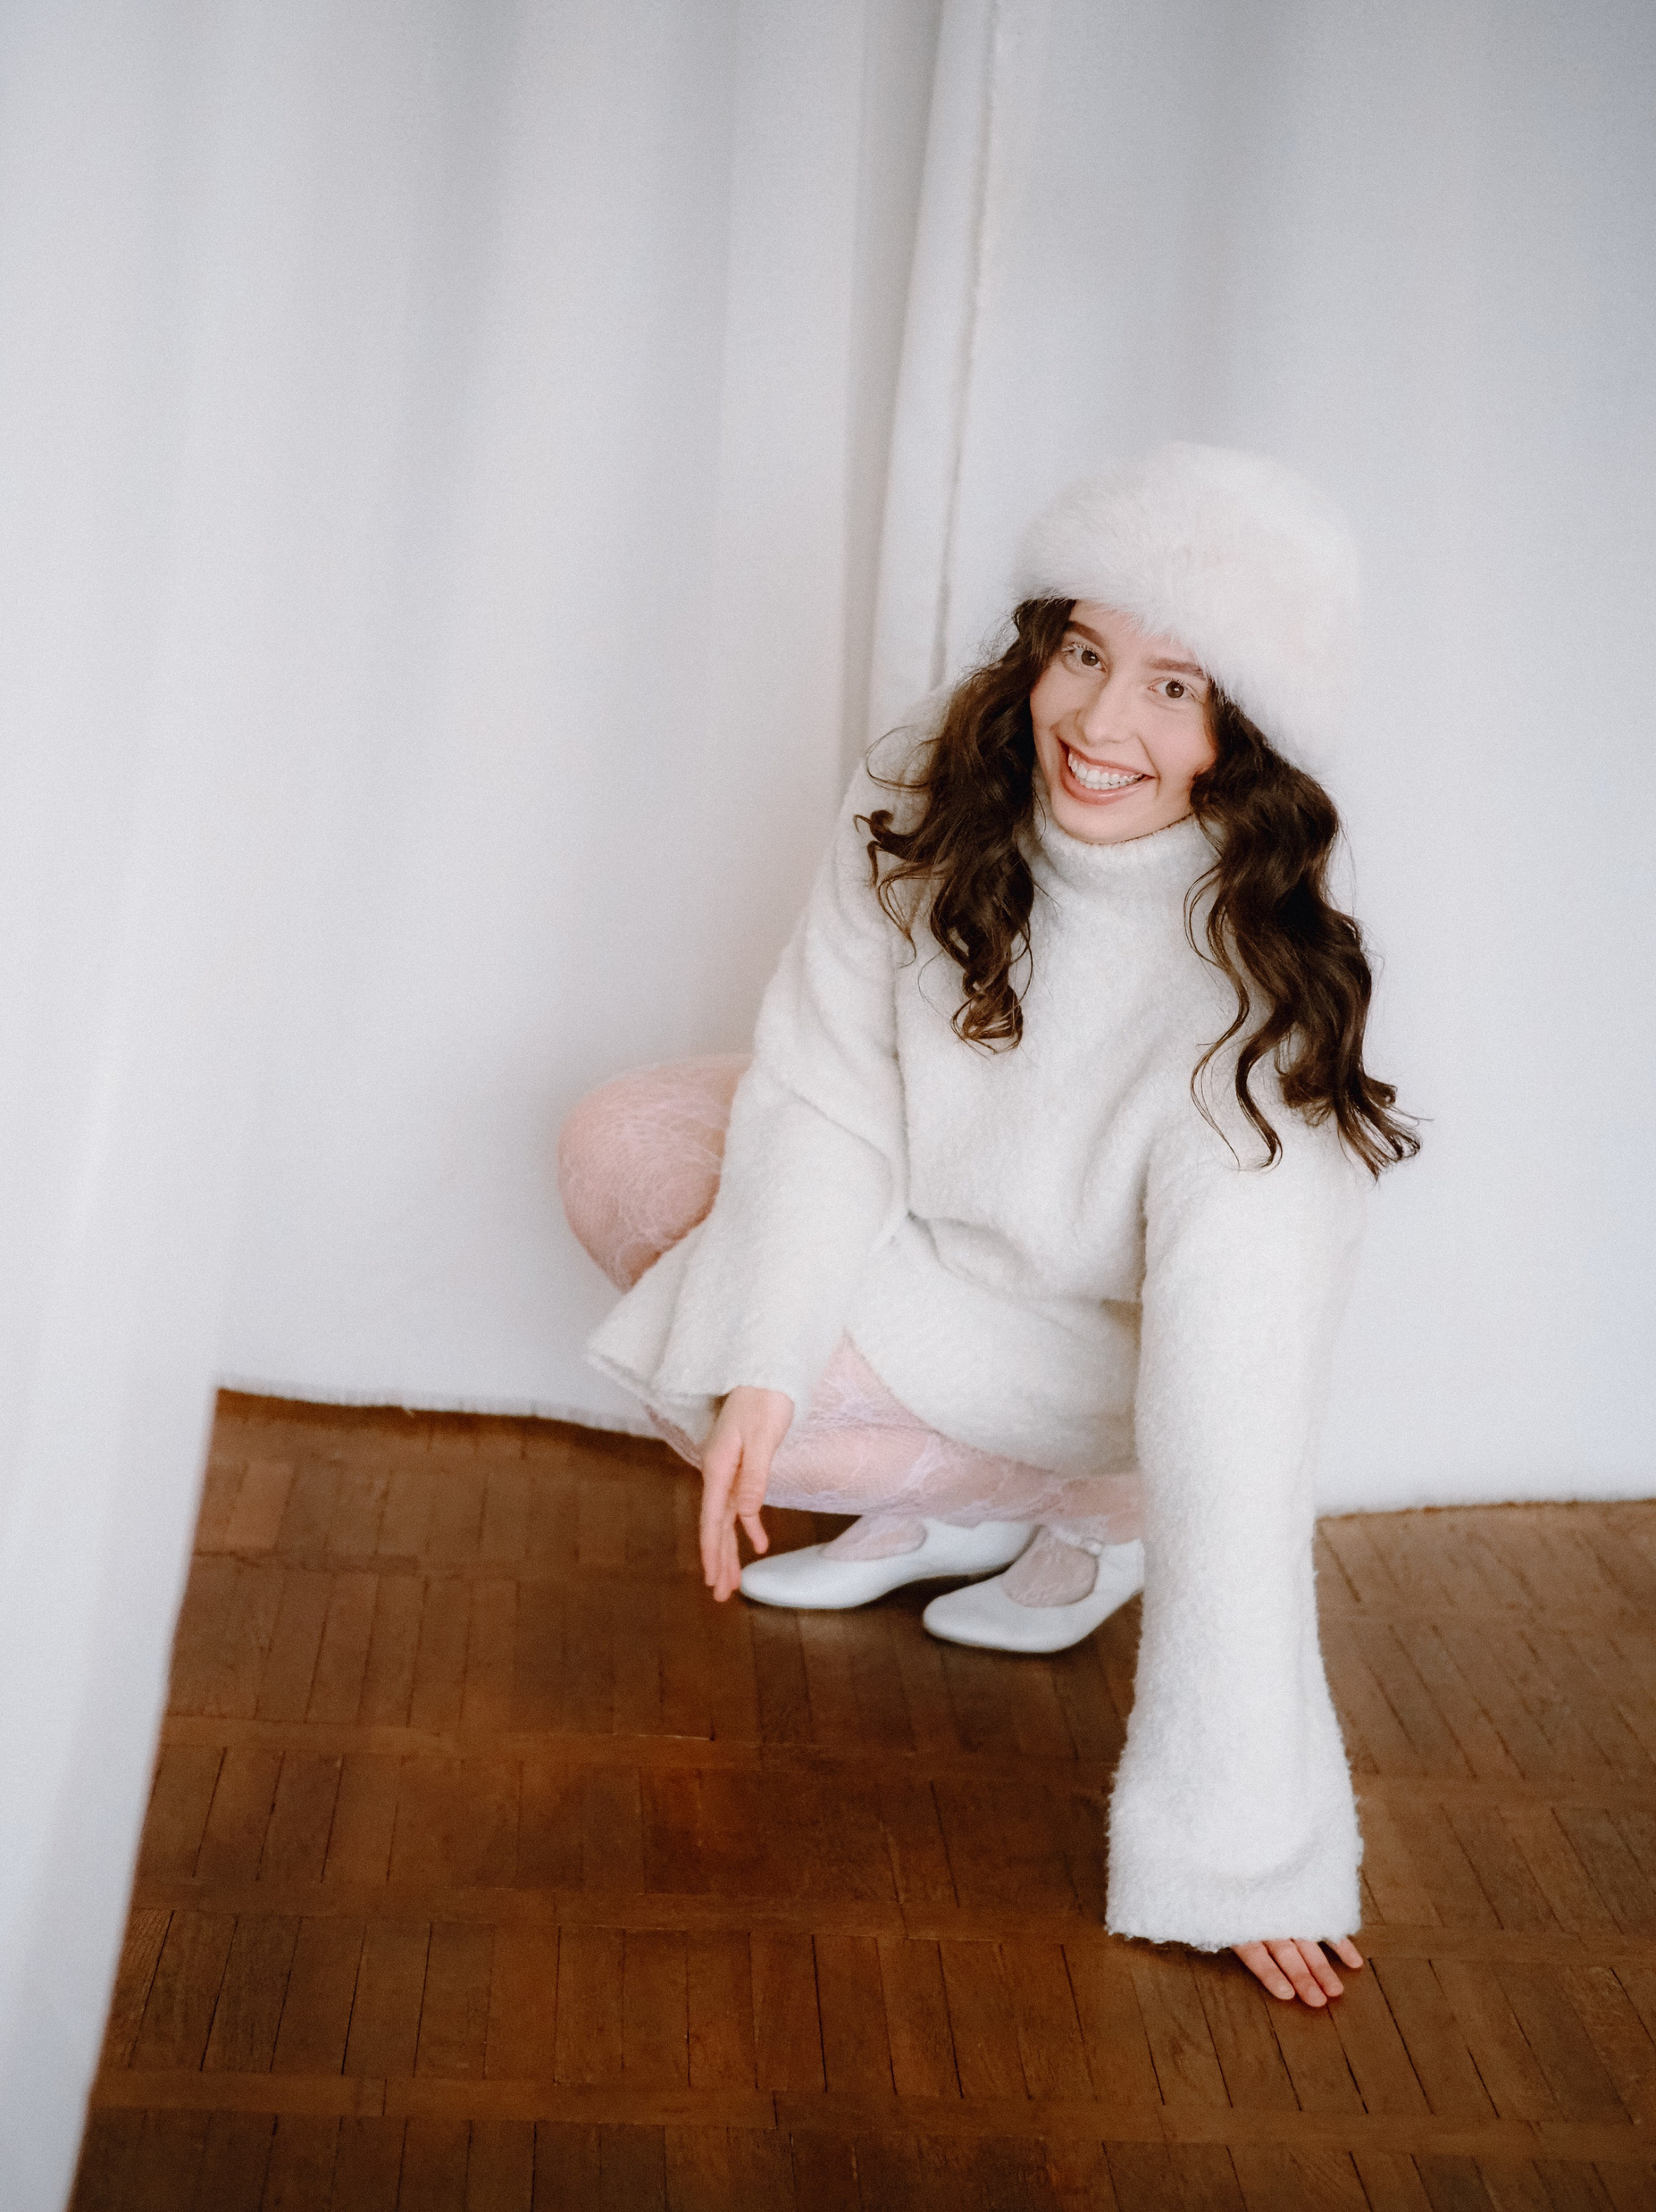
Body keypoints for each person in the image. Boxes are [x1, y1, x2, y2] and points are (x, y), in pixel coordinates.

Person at [559, 443, 1418, 2007]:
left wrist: (1241, 1854)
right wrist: (762, 1354)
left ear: (1245, 736)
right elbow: (824, 1092)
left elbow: (1237, 1426)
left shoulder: (1257, 1000)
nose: (1100, 723)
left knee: (772, 1388)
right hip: (940, 1237)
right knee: (630, 1159)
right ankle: (947, 1506)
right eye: (1084, 653)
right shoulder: (938, 783)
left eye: (1175, 687)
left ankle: (1092, 1513)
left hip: (1115, 1355)